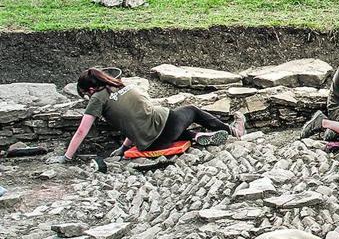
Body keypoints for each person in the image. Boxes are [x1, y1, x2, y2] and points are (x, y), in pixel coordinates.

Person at [54, 68, 246, 169]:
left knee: (169, 128)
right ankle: (233, 130)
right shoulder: (123, 86)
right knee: (192, 110)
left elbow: (128, 124)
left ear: (89, 89)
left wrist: (67, 157)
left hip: (151, 144)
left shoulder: (97, 99)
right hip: (167, 126)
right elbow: (138, 116)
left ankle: (194, 136)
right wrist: (123, 147)